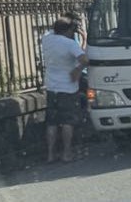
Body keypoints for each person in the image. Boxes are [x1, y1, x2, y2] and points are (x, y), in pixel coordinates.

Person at [42, 17, 89, 163]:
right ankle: (66, 153)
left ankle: (50, 154)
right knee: (67, 122)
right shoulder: (69, 44)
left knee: (52, 122)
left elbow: (52, 31)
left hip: (51, 87)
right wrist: (77, 70)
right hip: (68, 88)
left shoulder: (46, 39)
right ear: (68, 30)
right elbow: (84, 60)